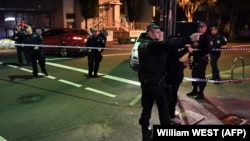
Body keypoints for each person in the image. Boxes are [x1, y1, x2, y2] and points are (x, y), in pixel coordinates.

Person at [138, 23, 199, 141]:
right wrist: (189, 39)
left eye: (160, 32)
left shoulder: (142, 45)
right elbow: (168, 44)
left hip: (146, 82)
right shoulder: (153, 45)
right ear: (149, 33)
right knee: (163, 108)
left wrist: (186, 49)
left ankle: (145, 134)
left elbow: (169, 52)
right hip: (156, 82)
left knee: (146, 108)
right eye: (156, 32)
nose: (159, 34)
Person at [164, 36, 190, 125]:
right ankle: (170, 116)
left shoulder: (174, 51)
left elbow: (176, 62)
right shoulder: (169, 51)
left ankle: (170, 113)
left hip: (176, 77)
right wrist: (187, 49)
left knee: (172, 96)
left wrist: (183, 65)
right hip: (171, 78)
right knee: (171, 97)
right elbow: (174, 57)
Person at [186, 22, 212, 100]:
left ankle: (201, 93)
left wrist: (199, 45)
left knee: (200, 76)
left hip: (202, 59)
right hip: (195, 58)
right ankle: (194, 90)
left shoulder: (207, 37)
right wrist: (189, 57)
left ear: (205, 28)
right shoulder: (196, 36)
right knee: (194, 75)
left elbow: (209, 49)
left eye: (202, 27)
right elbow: (191, 47)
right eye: (199, 27)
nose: (200, 29)